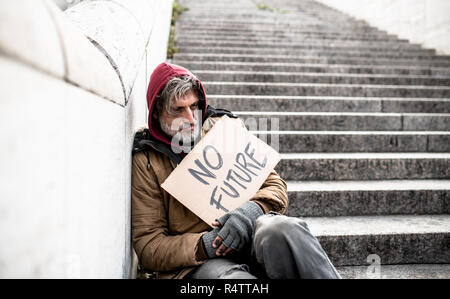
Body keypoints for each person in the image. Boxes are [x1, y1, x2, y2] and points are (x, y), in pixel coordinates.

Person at [131, 62, 341, 279]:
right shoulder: (146, 160)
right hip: (198, 264)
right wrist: (208, 244)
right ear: (156, 113)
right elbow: (149, 246)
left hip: (248, 236)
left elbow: (274, 186)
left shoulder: (222, 127)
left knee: (281, 228)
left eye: (194, 107)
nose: (191, 119)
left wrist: (250, 212)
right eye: (177, 110)